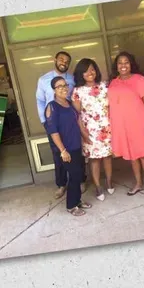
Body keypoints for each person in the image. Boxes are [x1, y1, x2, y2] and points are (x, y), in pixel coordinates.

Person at [108, 52, 144, 200]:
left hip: (138, 124)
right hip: (122, 127)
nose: (123, 65)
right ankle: (139, 183)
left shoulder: (139, 80)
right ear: (116, 66)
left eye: (126, 62)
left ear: (131, 64)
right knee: (132, 156)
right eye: (120, 62)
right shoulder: (113, 82)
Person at [35, 51, 84, 198]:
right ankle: (62, 184)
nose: (64, 62)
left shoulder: (72, 79)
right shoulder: (43, 80)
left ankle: (80, 180)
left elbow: (76, 97)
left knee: (77, 152)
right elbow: (40, 101)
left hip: (70, 121)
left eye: (67, 60)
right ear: (55, 60)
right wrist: (45, 121)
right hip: (54, 123)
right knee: (59, 154)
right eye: (61, 59)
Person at [46, 76, 92, 216]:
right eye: (59, 86)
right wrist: (63, 150)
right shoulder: (52, 107)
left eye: (65, 85)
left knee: (78, 176)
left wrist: (86, 138)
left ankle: (77, 200)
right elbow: (53, 131)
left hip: (76, 145)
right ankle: (71, 206)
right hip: (65, 149)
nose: (63, 88)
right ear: (54, 90)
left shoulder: (69, 103)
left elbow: (77, 122)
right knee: (73, 176)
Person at [71, 58, 113, 202]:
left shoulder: (104, 86)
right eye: (86, 70)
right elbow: (76, 115)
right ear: (81, 74)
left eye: (92, 69)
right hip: (90, 131)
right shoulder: (77, 91)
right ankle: (98, 186)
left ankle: (109, 181)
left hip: (106, 128)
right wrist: (83, 132)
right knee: (94, 160)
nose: (90, 72)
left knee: (107, 156)